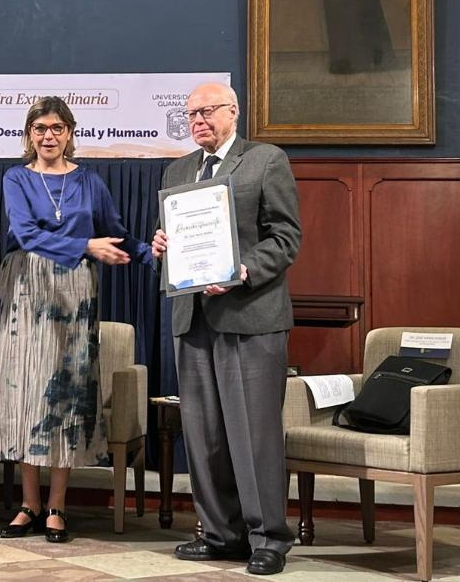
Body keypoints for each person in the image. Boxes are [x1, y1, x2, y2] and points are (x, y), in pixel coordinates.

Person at [0, 96, 152, 543]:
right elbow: (23, 233)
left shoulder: (90, 181)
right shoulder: (16, 177)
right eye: (40, 129)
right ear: (29, 135)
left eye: (57, 128)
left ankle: (56, 505)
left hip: (75, 294)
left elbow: (117, 232)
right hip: (26, 289)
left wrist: (155, 254)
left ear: (70, 132)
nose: (48, 136)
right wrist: (85, 246)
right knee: (27, 392)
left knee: (65, 394)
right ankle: (28, 504)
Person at [151, 82, 301, 576]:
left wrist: (241, 271)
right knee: (205, 435)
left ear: (232, 111)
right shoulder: (177, 171)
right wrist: (162, 251)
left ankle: (269, 538)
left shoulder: (265, 160)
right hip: (191, 318)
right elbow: (179, 247)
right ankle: (220, 533)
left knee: (253, 433)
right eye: (190, 112)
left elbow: (286, 237)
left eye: (206, 111)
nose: (197, 120)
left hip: (250, 317)